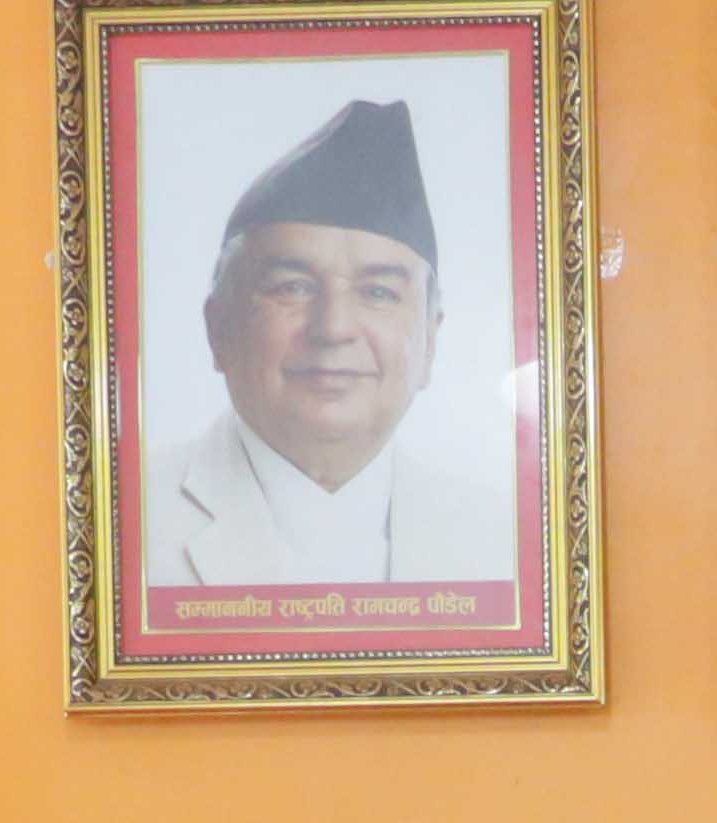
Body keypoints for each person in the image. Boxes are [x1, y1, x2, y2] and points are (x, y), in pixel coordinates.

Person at [147, 96, 514, 590]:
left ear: (430, 341)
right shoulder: (119, 522)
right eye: (292, 287)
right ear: (218, 329)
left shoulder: (507, 544)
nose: (334, 328)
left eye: (378, 292)